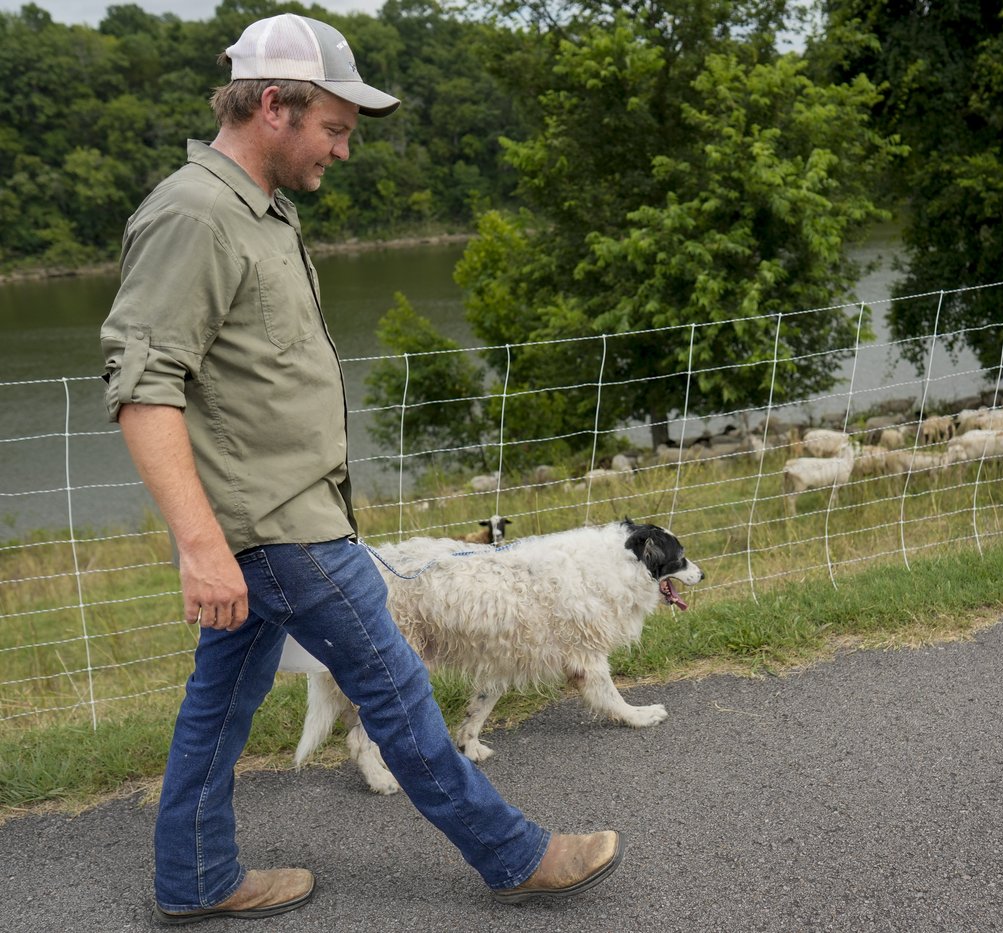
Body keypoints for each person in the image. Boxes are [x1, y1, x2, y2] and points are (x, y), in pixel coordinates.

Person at [99, 13, 622, 924]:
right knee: (398, 688)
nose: (343, 150)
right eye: (334, 128)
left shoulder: (258, 210)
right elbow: (145, 390)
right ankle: (515, 854)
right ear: (274, 105)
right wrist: (198, 544)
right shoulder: (193, 214)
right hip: (280, 529)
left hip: (282, 520)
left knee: (218, 706)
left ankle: (195, 877)